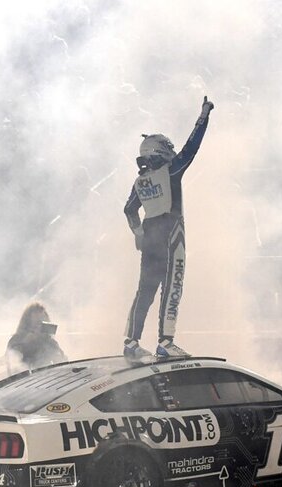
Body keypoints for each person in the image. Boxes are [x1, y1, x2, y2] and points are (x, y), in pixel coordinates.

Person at [122, 96, 214, 360]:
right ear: (162, 151)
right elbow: (191, 148)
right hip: (172, 231)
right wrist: (204, 115)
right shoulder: (171, 171)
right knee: (172, 285)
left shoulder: (140, 181)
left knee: (145, 289)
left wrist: (138, 233)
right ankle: (165, 341)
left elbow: (129, 209)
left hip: (149, 233)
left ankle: (131, 342)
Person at [6, 302, 67, 370]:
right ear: (27, 324)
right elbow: (13, 364)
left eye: (42, 323)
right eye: (36, 324)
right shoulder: (16, 340)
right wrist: (26, 344)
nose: (39, 327)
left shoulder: (49, 342)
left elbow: (62, 363)